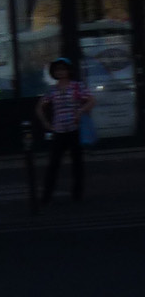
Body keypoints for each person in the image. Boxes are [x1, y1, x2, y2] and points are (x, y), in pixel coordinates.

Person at [34, 57, 93, 204]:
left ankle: (77, 194)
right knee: (53, 164)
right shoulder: (53, 90)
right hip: (59, 130)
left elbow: (91, 100)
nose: (61, 72)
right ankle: (47, 195)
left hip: (74, 129)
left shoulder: (76, 87)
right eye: (58, 70)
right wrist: (46, 123)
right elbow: (40, 106)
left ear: (68, 71)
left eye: (63, 69)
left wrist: (80, 111)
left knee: (77, 164)